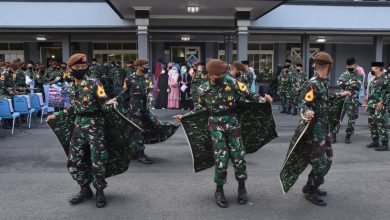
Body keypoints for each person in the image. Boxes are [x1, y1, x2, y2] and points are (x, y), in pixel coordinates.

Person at [174, 59, 273, 208]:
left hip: (233, 123)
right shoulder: (202, 89)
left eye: (223, 73)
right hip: (215, 126)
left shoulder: (231, 82)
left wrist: (263, 98)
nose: (222, 76)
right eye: (219, 74)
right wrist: (186, 117)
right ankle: (219, 190)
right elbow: (200, 108)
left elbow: (249, 94)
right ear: (211, 75)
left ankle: (242, 187)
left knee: (238, 156)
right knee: (221, 159)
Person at [280, 52, 351, 206]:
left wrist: (340, 95)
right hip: (314, 130)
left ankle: (312, 185)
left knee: (328, 159)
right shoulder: (313, 83)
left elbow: (325, 99)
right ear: (329, 66)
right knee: (320, 162)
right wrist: (307, 112)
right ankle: (310, 190)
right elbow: (304, 103)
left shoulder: (323, 82)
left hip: (324, 128)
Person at [46, 53, 110, 208]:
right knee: (73, 160)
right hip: (79, 126)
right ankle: (84, 188)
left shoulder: (95, 83)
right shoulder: (71, 86)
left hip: (95, 126)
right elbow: (73, 107)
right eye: (78, 67)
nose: (81, 69)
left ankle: (100, 191)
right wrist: (57, 114)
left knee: (97, 161)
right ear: (70, 69)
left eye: (83, 67)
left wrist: (112, 104)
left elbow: (104, 105)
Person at [110, 58, 154, 164]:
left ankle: (134, 151)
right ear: (138, 66)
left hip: (145, 107)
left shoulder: (147, 78)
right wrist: (115, 99)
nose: (147, 67)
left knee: (143, 129)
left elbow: (150, 92)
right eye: (145, 65)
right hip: (134, 107)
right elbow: (125, 92)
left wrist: (151, 105)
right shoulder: (129, 78)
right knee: (138, 129)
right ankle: (139, 153)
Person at [330, 57, 363, 144]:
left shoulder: (359, 75)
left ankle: (348, 136)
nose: (350, 67)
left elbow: (358, 85)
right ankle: (333, 135)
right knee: (337, 116)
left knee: (351, 118)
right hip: (343, 98)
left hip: (353, 100)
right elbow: (339, 83)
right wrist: (350, 83)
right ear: (346, 65)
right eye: (348, 65)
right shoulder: (344, 74)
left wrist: (346, 84)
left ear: (355, 65)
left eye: (351, 65)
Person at [366, 62, 389, 151]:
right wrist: (367, 104)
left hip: (380, 106)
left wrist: (383, 102)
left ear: (378, 69)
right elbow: (370, 93)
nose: (371, 70)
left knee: (381, 124)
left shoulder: (385, 78)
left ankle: (385, 144)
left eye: (373, 68)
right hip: (372, 105)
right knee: (372, 123)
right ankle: (375, 141)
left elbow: (388, 92)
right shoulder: (374, 79)